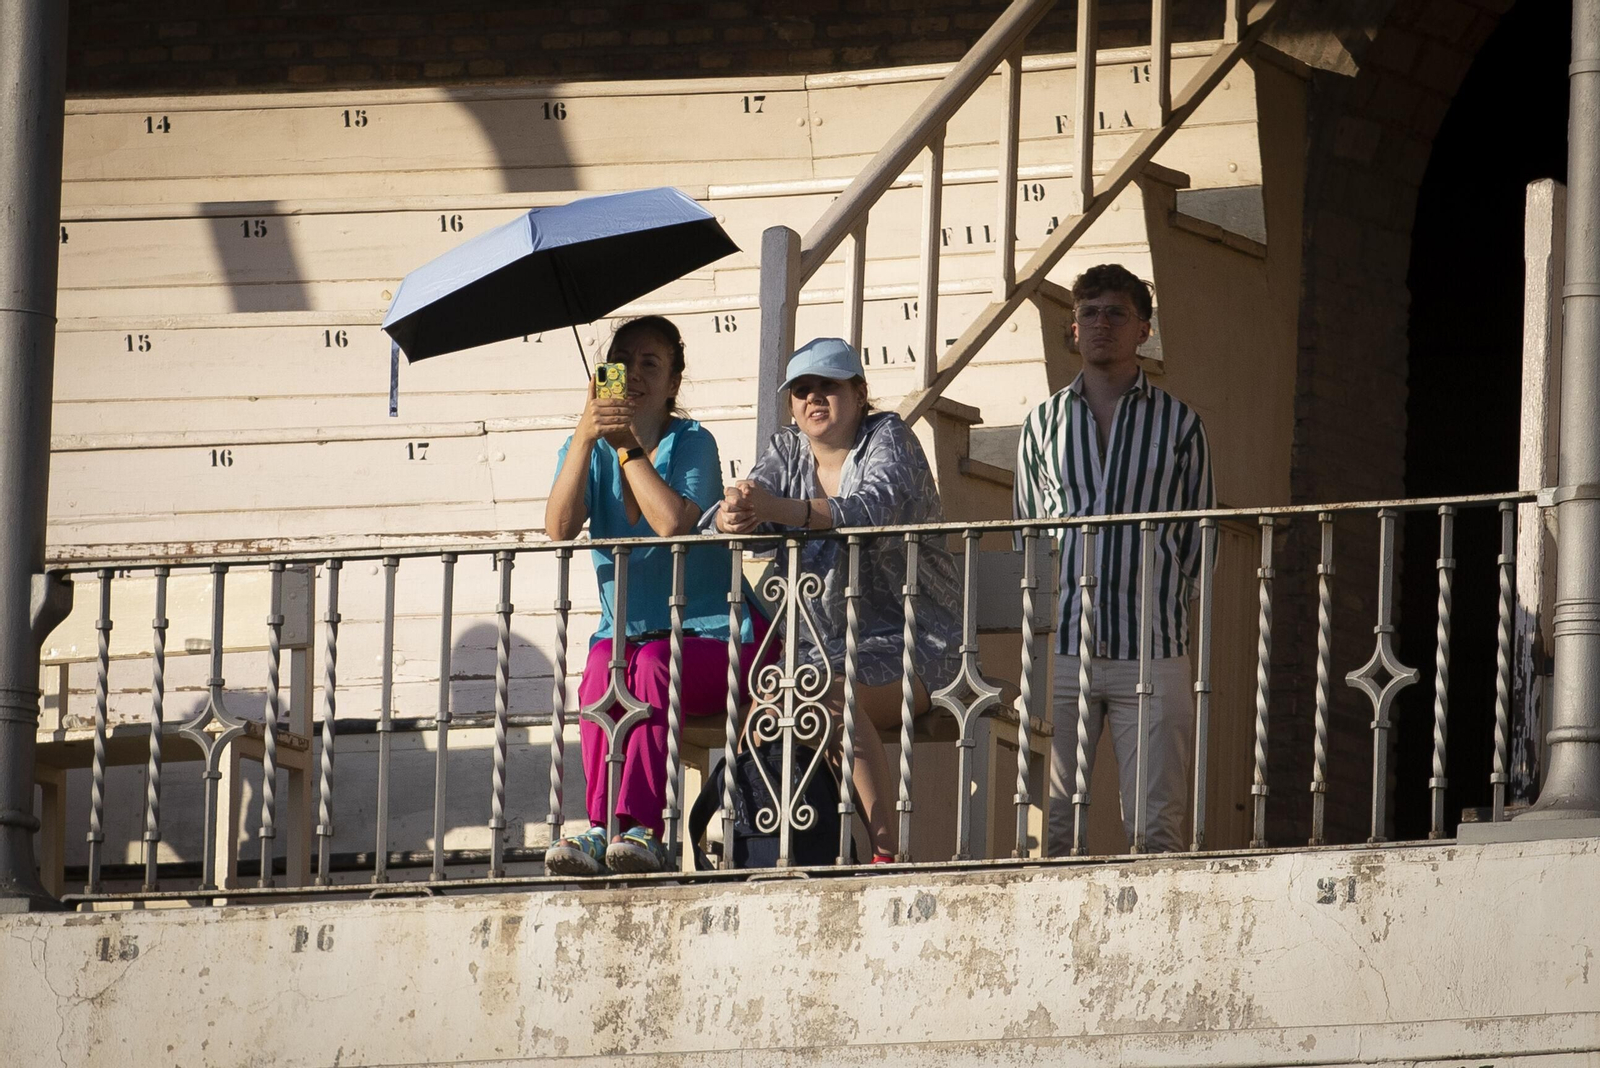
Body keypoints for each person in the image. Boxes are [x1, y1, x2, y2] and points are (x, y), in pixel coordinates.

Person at [706, 337, 962, 862]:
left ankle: (887, 852)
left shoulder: (889, 436)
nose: (814, 398)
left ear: (860, 393)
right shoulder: (786, 449)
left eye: (829, 386)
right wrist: (732, 513)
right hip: (813, 653)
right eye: (802, 389)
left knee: (827, 697)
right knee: (761, 710)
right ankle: (757, 848)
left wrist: (778, 509)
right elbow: (740, 519)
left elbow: (872, 509)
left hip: (914, 645)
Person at [544, 315, 768, 876]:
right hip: (630, 639)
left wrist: (627, 447)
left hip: (721, 639)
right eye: (622, 363)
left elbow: (672, 522)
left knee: (648, 666)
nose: (635, 374)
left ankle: (641, 829)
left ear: (673, 382)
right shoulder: (586, 449)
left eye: (651, 363)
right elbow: (559, 528)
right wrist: (586, 435)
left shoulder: (692, 442)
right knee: (602, 668)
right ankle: (602, 827)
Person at [1012, 264, 1215, 855]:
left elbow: (1198, 536)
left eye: (1116, 313)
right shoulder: (1043, 424)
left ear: (1143, 330)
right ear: (1074, 328)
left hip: (1153, 648)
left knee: (1155, 830)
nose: (1101, 323)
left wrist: (1160, 600)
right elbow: (1029, 533)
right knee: (1052, 831)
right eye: (1089, 313)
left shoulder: (1180, 424)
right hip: (1064, 651)